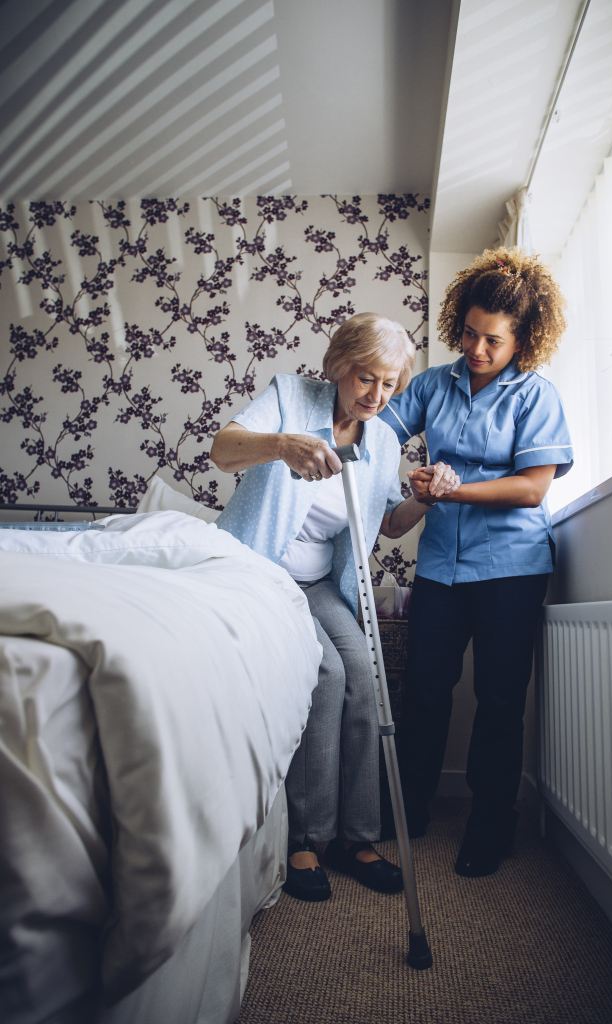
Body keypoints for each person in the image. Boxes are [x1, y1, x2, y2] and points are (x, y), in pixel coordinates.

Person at [209, 312, 459, 902]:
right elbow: (223, 450)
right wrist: (280, 445)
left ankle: (357, 836)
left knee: (364, 677)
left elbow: (389, 524)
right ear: (338, 368)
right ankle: (307, 837)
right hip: (261, 571)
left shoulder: (384, 441)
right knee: (324, 673)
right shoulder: (290, 397)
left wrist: (424, 500)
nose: (375, 395)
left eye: (389, 384)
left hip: (322, 582)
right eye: (364, 378)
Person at [378, 248, 573, 878]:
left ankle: (492, 826)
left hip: (512, 568)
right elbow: (378, 433)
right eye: (469, 332)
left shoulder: (536, 395)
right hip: (439, 566)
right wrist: (407, 476)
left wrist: (450, 490)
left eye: (493, 339)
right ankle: (409, 809)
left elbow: (531, 488)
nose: (478, 349)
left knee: (498, 698)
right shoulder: (434, 383)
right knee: (426, 691)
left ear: (523, 338)